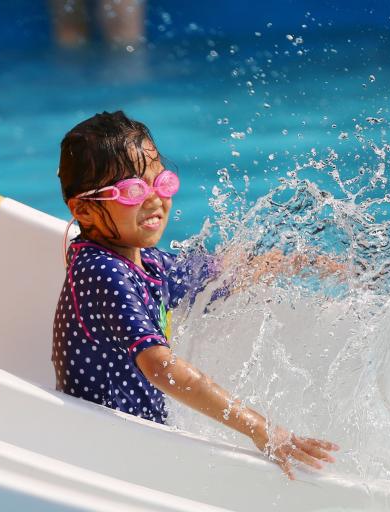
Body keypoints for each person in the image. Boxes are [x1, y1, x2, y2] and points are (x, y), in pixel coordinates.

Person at [52, 111, 339, 479]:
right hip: (105, 454)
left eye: (161, 183)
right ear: (84, 210)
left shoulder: (147, 261)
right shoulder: (101, 270)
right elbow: (161, 367)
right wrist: (263, 430)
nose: (155, 200)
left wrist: (308, 263)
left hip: (131, 443)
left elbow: (224, 274)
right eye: (133, 190)